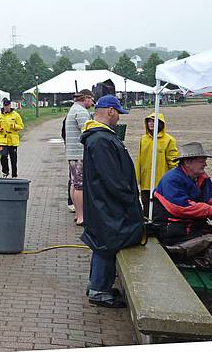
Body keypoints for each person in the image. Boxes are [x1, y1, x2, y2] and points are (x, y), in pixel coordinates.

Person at [81, 95, 144, 308]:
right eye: (118, 113)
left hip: (102, 202)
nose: (118, 119)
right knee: (107, 243)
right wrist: (129, 199)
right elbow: (112, 178)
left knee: (102, 243)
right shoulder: (101, 139)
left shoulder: (99, 137)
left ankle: (97, 284)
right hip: (106, 204)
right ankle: (99, 290)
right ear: (110, 111)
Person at [135, 112, 179, 214]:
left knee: (159, 209)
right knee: (146, 206)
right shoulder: (143, 139)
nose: (151, 123)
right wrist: (137, 178)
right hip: (145, 183)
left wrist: (174, 180)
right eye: (149, 121)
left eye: (153, 121)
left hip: (161, 182)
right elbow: (139, 160)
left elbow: (173, 162)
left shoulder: (169, 140)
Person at [64, 89, 95, 226]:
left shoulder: (73, 109)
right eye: (92, 100)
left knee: (74, 184)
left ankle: (78, 214)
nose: (93, 103)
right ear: (86, 98)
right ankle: (82, 216)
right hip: (79, 154)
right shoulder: (82, 112)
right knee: (80, 186)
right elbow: (88, 133)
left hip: (72, 153)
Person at [0, 98, 24, 178]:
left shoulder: (15, 115)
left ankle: (14, 175)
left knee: (13, 159)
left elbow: (21, 126)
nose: (6, 107)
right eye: (5, 105)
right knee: (3, 156)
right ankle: (5, 172)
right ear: (3, 106)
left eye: (8, 105)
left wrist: (14, 126)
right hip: (3, 139)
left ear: (10, 105)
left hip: (13, 140)